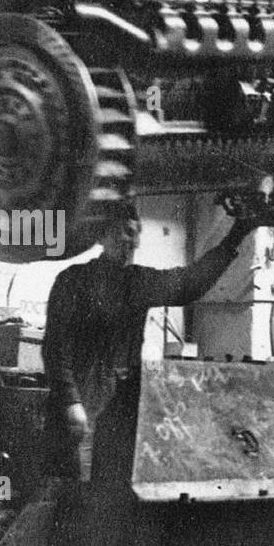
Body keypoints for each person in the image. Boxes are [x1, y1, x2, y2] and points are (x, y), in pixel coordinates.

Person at [42, 207, 257, 485]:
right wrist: (71, 402)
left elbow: (189, 284)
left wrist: (237, 234)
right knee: (74, 490)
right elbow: (55, 348)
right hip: (82, 403)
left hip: (119, 404)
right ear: (102, 236)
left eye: (136, 233)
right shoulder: (72, 280)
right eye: (125, 231)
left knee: (111, 490)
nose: (132, 241)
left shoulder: (137, 281)